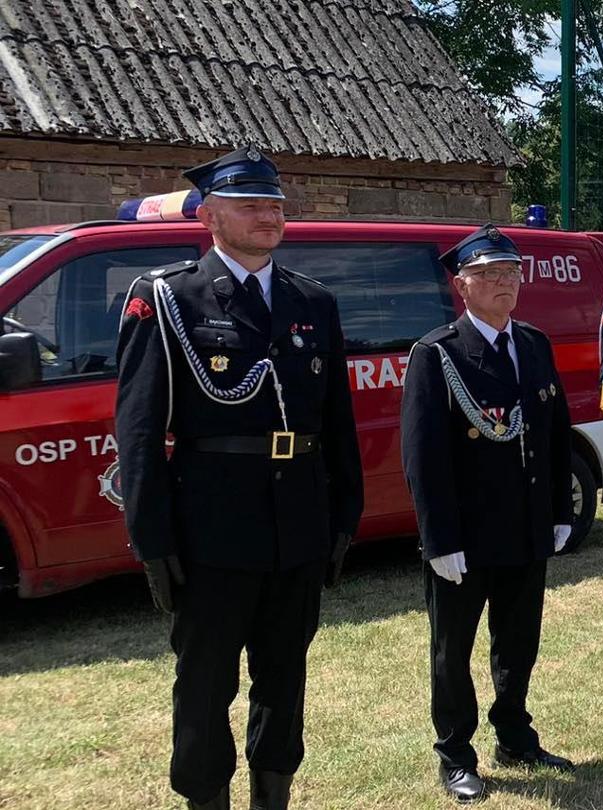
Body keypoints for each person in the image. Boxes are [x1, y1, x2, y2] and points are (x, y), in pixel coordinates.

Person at [115, 147, 363, 810]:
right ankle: (206, 798)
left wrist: (343, 520)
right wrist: (153, 540)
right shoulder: (168, 299)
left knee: (284, 681)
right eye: (251, 204)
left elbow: (338, 423)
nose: (268, 215)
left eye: (275, 205)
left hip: (298, 528)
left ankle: (271, 797)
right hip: (211, 532)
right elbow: (138, 431)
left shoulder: (313, 301)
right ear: (210, 216)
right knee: (205, 683)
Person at [403, 225, 578, 802]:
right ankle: (455, 752)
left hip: (525, 525)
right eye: (489, 275)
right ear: (462, 286)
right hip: (466, 534)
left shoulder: (531, 343)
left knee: (518, 640)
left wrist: (558, 509)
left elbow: (554, 434)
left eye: (511, 274)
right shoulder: (438, 354)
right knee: (452, 650)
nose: (504, 284)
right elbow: (423, 456)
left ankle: (515, 734)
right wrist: (438, 537)